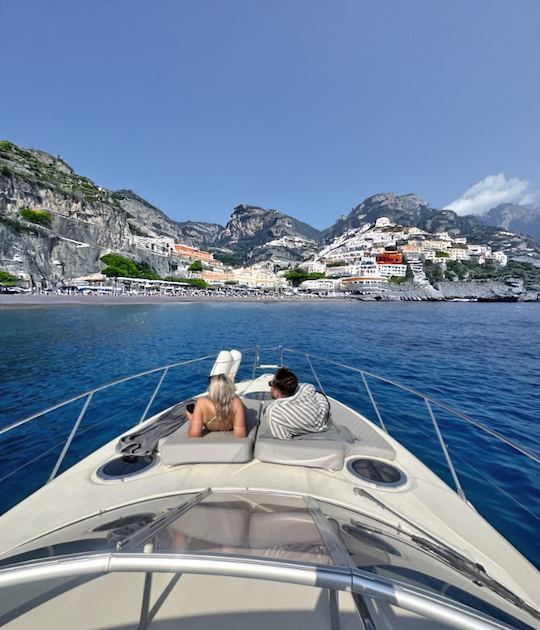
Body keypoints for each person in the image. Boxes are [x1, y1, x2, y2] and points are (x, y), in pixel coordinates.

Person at [266, 367, 330, 439]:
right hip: (321, 421)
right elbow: (319, 396)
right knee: (319, 395)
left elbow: (283, 438)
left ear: (276, 393)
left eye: (271, 385)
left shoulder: (274, 411)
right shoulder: (307, 388)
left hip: (308, 429)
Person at [187, 373, 247, 438]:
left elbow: (194, 435)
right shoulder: (236, 402)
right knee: (243, 409)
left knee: (189, 412)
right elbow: (241, 435)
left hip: (210, 426)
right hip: (229, 427)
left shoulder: (202, 402)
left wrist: (191, 420)